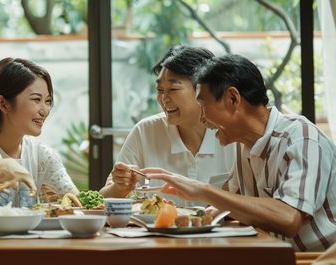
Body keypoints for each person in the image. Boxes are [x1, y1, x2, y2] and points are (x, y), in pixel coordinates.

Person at [143, 54, 336, 251]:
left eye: (203, 106)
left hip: (316, 260)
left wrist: (202, 190)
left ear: (233, 98)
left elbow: (289, 219)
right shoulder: (243, 145)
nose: (201, 118)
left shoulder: (301, 138)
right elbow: (228, 205)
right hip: (275, 256)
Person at [100, 45, 235, 205]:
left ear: (203, 90)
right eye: (159, 90)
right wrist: (120, 187)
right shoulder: (145, 131)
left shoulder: (233, 136)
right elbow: (103, 198)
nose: (164, 99)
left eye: (173, 89)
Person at [0, 57, 79, 207]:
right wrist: (5, 164)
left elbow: (76, 199)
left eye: (47, 101)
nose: (45, 110)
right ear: (3, 104)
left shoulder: (42, 154)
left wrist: (114, 188)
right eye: (36, 100)